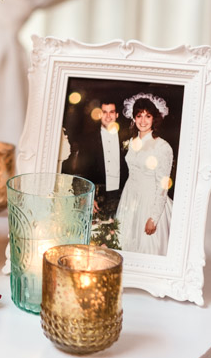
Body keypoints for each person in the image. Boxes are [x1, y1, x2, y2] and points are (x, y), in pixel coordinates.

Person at [116, 93, 174, 255]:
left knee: (146, 249)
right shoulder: (133, 142)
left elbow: (162, 186)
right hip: (130, 199)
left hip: (149, 203)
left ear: (154, 119)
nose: (143, 120)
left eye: (147, 116)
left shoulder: (162, 147)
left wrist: (153, 218)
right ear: (134, 118)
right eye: (139, 116)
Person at [66, 100, 129, 221]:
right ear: (100, 115)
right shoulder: (88, 140)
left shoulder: (126, 138)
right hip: (98, 197)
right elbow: (79, 172)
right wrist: (86, 197)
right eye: (104, 112)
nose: (108, 116)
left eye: (112, 112)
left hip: (122, 196)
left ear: (117, 115)